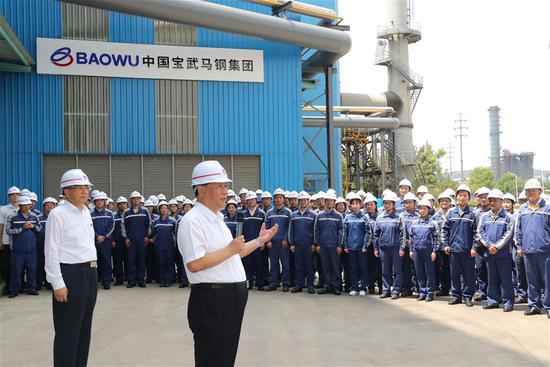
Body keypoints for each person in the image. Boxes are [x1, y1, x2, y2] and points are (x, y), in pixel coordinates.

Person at [178, 160, 277, 367]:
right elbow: (195, 264)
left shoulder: (217, 219)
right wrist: (229, 250)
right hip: (212, 299)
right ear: (201, 190)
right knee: (213, 359)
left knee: (224, 358)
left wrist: (259, 241)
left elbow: (232, 255)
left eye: (226, 186)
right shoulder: (192, 221)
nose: (226, 191)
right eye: (220, 186)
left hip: (229, 299)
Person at [44, 169, 98, 367]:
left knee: (84, 330)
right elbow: (51, 251)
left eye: (86, 187)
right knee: (68, 331)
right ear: (66, 191)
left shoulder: (86, 213)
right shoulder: (58, 215)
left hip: (90, 273)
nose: (84, 192)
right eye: (78, 188)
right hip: (70, 275)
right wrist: (57, 283)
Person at [515, 178, 550, 317]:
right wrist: (519, 246)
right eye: (528, 191)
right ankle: (534, 305)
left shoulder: (547, 209)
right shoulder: (522, 209)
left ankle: (548, 306)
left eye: (534, 190)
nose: (531, 193)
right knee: (532, 280)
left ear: (540, 192)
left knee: (547, 280)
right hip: (528, 251)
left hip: (545, 251)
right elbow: (518, 229)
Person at [477, 189, 515, 312]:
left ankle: (508, 301)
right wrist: (489, 245)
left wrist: (496, 246)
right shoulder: (484, 216)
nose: (492, 202)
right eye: (491, 200)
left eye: (495, 200)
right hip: (489, 252)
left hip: (503, 254)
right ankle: (492, 300)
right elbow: (480, 232)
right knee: (491, 278)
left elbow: (508, 234)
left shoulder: (508, 217)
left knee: (506, 278)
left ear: (501, 201)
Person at [441, 184, 477, 307]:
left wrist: (474, 247)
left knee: (469, 274)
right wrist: (445, 244)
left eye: (465, 195)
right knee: (454, 274)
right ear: (456, 197)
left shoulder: (472, 214)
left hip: (468, 250)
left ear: (468, 198)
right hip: (454, 249)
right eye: (460, 195)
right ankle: (456, 296)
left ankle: (467, 296)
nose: (462, 198)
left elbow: (476, 233)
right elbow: (444, 230)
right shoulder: (451, 213)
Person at [6, 195, 42, 298]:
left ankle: (32, 289)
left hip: (31, 249)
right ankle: (14, 290)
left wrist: (33, 226)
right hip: (18, 249)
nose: (27, 207)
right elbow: (8, 230)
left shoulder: (34, 217)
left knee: (32, 269)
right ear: (20, 206)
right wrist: (22, 228)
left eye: (28, 205)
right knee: (16, 270)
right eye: (24, 205)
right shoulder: (13, 217)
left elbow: (40, 228)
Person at [374, 191, 403, 299]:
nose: (387, 205)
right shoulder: (380, 218)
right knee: (385, 271)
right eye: (385, 203)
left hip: (395, 248)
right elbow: (376, 235)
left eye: (389, 203)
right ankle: (386, 290)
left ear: (393, 204)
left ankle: (396, 290)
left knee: (396, 271)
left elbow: (402, 235)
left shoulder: (398, 217)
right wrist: (376, 248)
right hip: (383, 248)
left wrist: (401, 248)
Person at [408, 199, 438, 301]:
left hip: (428, 251)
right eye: (420, 208)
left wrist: (434, 251)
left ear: (428, 210)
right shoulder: (414, 223)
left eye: (425, 209)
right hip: (416, 251)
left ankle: (430, 293)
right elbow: (411, 238)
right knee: (419, 272)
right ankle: (422, 292)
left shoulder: (432, 223)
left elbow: (436, 239)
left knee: (429, 273)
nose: (422, 210)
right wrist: (411, 250)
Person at [314, 191, 343, 295]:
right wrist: (317, 244)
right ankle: (327, 286)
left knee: (335, 267)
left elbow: (341, 232)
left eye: (331, 201)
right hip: (323, 246)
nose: (329, 203)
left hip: (334, 246)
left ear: (334, 202)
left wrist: (339, 245)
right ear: (325, 202)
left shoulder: (339, 216)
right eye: (327, 201)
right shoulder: (319, 216)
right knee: (325, 267)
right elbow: (316, 231)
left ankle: (335, 287)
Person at [265, 188, 292, 292]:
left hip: (283, 243)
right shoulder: (269, 213)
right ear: (274, 200)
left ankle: (285, 283)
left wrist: (286, 239)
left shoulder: (288, 212)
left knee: (285, 264)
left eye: (280, 198)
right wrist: (268, 240)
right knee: (273, 264)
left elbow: (289, 228)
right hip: (273, 243)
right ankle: (273, 282)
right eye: (276, 198)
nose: (278, 200)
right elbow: (267, 227)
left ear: (283, 199)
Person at [288, 191, 316, 294]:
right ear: (299, 202)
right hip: (298, 245)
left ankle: (310, 285)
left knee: (309, 266)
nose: (303, 202)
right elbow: (291, 230)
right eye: (301, 200)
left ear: (308, 202)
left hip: (309, 245)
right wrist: (292, 244)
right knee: (298, 266)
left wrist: (314, 243)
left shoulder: (313, 215)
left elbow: (315, 231)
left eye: (305, 200)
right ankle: (298, 285)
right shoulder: (294, 215)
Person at [121, 191, 150, 288]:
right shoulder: (126, 212)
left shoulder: (145, 211)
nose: (136, 200)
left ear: (140, 200)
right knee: (131, 261)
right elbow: (123, 226)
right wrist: (125, 238)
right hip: (131, 241)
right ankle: (131, 280)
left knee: (141, 260)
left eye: (138, 198)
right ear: (131, 200)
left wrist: (147, 236)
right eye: (134, 198)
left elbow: (149, 224)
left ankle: (141, 280)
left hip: (142, 240)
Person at [343, 193, 368, 296]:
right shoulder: (348, 218)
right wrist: (345, 246)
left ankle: (363, 288)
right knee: (352, 268)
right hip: (351, 248)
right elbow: (345, 233)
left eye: (357, 204)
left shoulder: (364, 218)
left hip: (361, 248)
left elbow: (368, 233)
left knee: (362, 268)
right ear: (350, 206)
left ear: (360, 205)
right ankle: (354, 287)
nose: (355, 206)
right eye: (353, 204)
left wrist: (365, 245)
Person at [241, 190, 267, 291]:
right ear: (246, 202)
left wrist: (263, 242)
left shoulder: (262, 214)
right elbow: (239, 230)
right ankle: (249, 283)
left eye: (252, 200)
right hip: (247, 244)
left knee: (260, 264)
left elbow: (265, 229)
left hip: (258, 244)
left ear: (256, 200)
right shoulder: (242, 214)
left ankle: (260, 284)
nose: (251, 202)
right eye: (249, 200)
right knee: (248, 265)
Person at [90, 192, 115, 290]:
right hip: (94, 242)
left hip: (105, 242)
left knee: (106, 261)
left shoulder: (109, 213)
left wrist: (104, 236)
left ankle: (106, 281)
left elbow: (112, 226)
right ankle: (94, 282)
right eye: (97, 201)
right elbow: (89, 227)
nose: (100, 202)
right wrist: (96, 236)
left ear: (105, 202)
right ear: (95, 202)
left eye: (101, 201)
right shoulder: (90, 213)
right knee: (93, 262)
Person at [151, 201, 177, 287]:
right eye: (162, 208)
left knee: (169, 263)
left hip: (169, 246)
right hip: (159, 246)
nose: (164, 210)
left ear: (168, 210)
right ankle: (162, 280)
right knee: (161, 263)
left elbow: (176, 233)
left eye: (165, 208)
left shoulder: (173, 221)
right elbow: (153, 234)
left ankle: (169, 279)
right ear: (159, 210)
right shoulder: (155, 222)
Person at [0, 186, 20, 295]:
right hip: (6, 242)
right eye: (12, 195)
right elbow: (1, 226)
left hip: (19, 242)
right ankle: (8, 286)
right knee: (5, 266)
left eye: (17, 194)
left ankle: (18, 286)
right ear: (9, 197)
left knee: (17, 266)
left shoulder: (23, 208)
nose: (15, 197)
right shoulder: (3, 209)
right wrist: (0, 241)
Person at [433, 192, 452, 296]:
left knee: (453, 268)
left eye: (446, 200)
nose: (444, 202)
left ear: (450, 202)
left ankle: (455, 289)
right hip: (440, 247)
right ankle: (444, 288)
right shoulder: (435, 216)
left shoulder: (453, 214)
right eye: (442, 201)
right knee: (443, 268)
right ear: (439, 203)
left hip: (451, 246)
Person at [400, 192, 419, 297]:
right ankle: (406, 288)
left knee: (417, 268)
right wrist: (404, 242)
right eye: (406, 202)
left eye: (410, 202)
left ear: (414, 203)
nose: (408, 204)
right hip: (404, 246)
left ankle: (419, 287)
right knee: (405, 268)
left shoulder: (419, 215)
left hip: (416, 246)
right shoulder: (401, 216)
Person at [473, 187, 491, 302]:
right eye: (481, 197)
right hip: (479, 246)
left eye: (486, 197)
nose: (484, 199)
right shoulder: (476, 213)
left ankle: (492, 292)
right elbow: (473, 230)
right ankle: (482, 291)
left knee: (491, 270)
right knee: (480, 269)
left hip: (490, 246)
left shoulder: (493, 211)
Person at [37, 197, 58, 290]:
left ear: (55, 206)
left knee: (51, 263)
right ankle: (39, 283)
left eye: (51, 205)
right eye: (47, 205)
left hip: (54, 245)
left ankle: (49, 283)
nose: (49, 207)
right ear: (44, 207)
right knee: (40, 263)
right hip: (41, 244)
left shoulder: (57, 217)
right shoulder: (38, 218)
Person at [363, 193, 382, 294]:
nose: (369, 207)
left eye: (371, 204)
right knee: (368, 267)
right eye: (367, 205)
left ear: (375, 205)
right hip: (368, 246)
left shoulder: (380, 217)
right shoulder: (364, 217)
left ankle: (381, 286)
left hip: (378, 246)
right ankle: (370, 286)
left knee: (379, 267)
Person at [112, 196, 128, 286]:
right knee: (117, 261)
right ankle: (119, 279)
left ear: (127, 205)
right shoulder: (114, 216)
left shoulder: (129, 214)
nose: (122, 205)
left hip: (128, 241)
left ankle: (129, 277)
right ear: (117, 206)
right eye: (120, 204)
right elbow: (111, 229)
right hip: (117, 242)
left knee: (128, 260)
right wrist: (112, 241)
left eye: (124, 204)